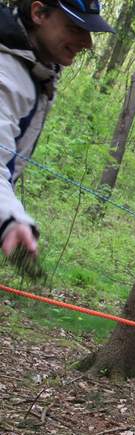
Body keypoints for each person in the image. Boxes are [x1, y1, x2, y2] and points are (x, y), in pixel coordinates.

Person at [0, 0, 112, 257]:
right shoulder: (6, 73)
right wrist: (10, 219)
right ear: (38, 13)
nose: (88, 42)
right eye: (75, 27)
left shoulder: (34, 66)